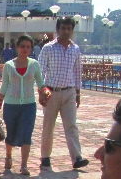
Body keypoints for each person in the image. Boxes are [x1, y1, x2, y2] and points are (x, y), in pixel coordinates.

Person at [37, 16, 89, 171]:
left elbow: (77, 71)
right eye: (63, 28)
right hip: (51, 92)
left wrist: (78, 93)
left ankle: (76, 157)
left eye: (69, 28)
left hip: (69, 92)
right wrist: (41, 91)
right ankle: (45, 156)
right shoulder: (48, 48)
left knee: (71, 125)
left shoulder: (75, 49)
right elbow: (40, 72)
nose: (66, 31)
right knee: (48, 126)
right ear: (57, 30)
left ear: (72, 30)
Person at [0, 34, 44, 176]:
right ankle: (8, 156)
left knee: (27, 134)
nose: (25, 49)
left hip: (29, 105)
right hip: (11, 105)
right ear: (17, 47)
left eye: (28, 47)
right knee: (11, 134)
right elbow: (4, 87)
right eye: (22, 46)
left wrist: (45, 91)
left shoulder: (34, 64)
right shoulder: (9, 66)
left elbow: (40, 82)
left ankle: (24, 165)